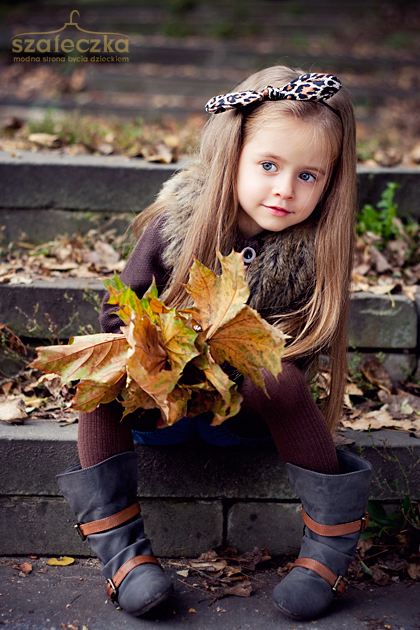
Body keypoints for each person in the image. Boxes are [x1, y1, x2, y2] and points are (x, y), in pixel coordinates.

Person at [56, 66, 372, 621]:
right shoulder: (177, 225)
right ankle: (122, 556)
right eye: (269, 166)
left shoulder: (312, 250)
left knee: (279, 374)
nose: (284, 188)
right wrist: (167, 350)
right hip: (160, 406)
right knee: (101, 375)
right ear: (233, 155)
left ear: (330, 182)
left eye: (309, 176)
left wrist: (236, 357)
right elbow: (118, 312)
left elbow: (298, 346)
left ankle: (330, 551)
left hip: (244, 418)